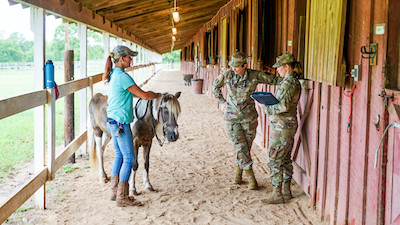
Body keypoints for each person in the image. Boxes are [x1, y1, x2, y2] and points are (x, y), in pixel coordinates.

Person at [212, 52, 283, 190]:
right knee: (240, 146)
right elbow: (216, 86)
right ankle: (251, 178)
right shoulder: (227, 75)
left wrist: (291, 79)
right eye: (232, 66)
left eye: (237, 66)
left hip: (249, 118)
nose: (234, 69)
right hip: (232, 118)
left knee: (245, 148)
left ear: (245, 65)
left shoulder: (254, 75)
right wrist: (221, 101)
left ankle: (238, 174)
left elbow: (274, 80)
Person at [104, 45, 160, 207]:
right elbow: (143, 95)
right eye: (129, 57)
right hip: (121, 123)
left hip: (112, 120)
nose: (131, 59)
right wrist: (157, 95)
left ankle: (115, 191)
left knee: (119, 156)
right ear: (122, 59)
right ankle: (122, 196)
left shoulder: (114, 74)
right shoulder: (123, 77)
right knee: (129, 158)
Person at [261, 53, 302, 204]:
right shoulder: (291, 81)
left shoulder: (288, 83)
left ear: (287, 66)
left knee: (274, 158)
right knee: (284, 158)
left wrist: (267, 108)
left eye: (279, 67)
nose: (277, 70)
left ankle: (277, 194)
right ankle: (286, 191)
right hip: (287, 124)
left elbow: (283, 106)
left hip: (282, 125)